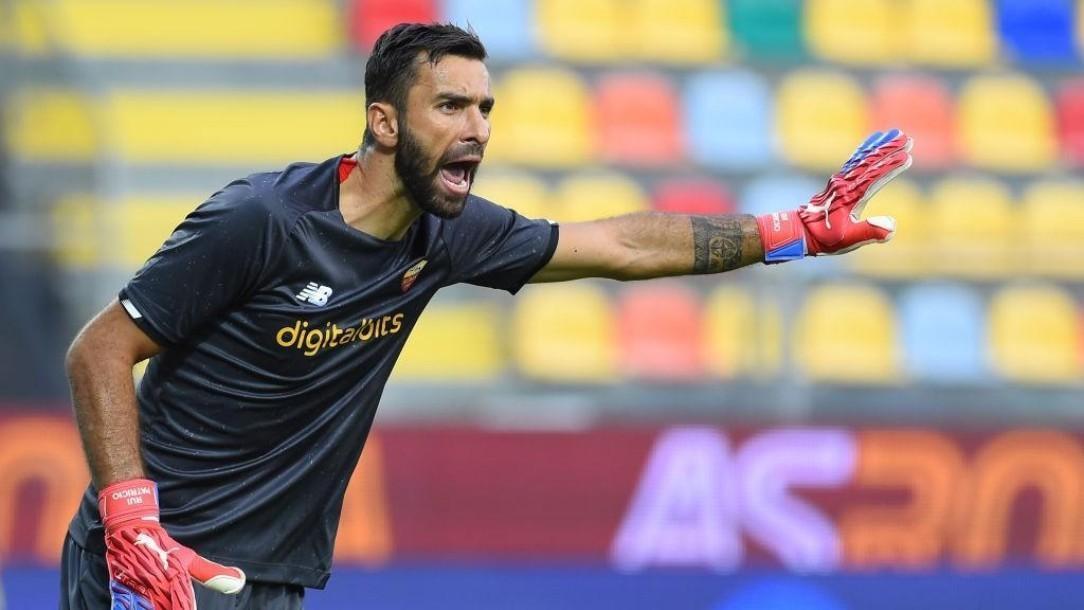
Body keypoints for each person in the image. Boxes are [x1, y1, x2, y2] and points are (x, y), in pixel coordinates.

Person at [60, 22, 911, 610]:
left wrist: (788, 232)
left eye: (485, 109)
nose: (477, 128)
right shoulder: (261, 221)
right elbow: (99, 349)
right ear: (383, 122)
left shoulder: (449, 235)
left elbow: (620, 245)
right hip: (148, 560)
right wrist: (133, 520)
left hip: (269, 573)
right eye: (452, 107)